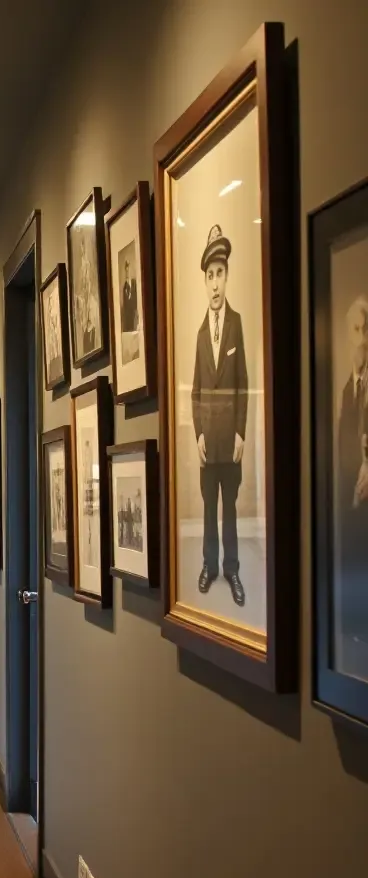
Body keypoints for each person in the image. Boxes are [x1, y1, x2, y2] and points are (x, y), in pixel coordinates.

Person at [192, 225, 248, 607]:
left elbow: (243, 382)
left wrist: (242, 432)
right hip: (208, 443)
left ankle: (231, 568)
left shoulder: (236, 323)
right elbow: (195, 390)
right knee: (208, 507)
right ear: (205, 280)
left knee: (230, 507)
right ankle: (209, 566)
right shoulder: (199, 334)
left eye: (220, 274)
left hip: (231, 440)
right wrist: (197, 432)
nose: (215, 284)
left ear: (227, 277)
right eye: (209, 276)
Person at [336, 296, 368, 666]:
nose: (361, 341)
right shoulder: (347, 391)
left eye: (365, 330)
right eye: (355, 331)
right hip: (349, 500)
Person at [121, 255, 138, 333]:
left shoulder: (135, 283)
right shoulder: (125, 287)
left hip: (134, 314)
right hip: (128, 318)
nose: (128, 272)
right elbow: (125, 304)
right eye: (126, 270)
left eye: (129, 269)